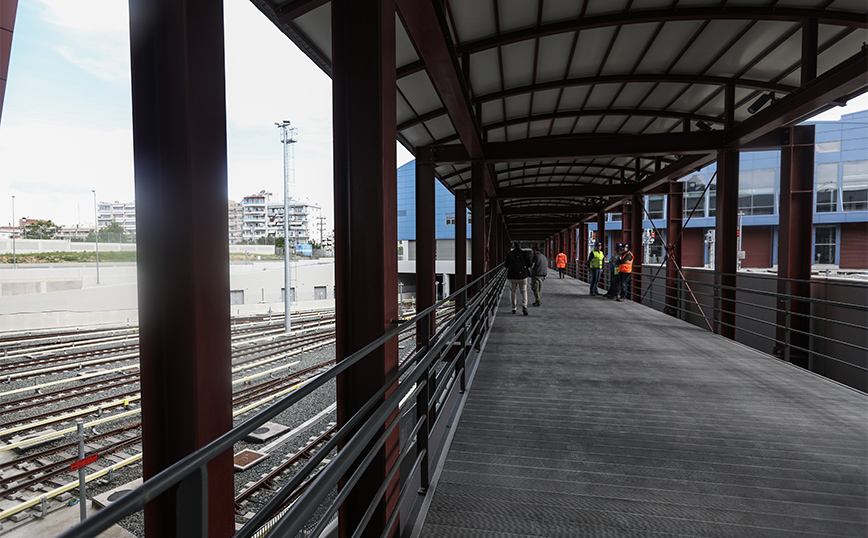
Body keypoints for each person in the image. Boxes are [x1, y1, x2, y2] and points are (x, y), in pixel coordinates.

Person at [504, 241, 531, 315]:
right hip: (523, 276)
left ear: (513, 246)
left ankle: (514, 308)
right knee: (524, 291)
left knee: (513, 292)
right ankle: (524, 306)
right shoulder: (525, 253)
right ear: (520, 246)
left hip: (512, 276)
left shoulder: (509, 254)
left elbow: (506, 265)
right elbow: (529, 264)